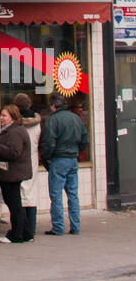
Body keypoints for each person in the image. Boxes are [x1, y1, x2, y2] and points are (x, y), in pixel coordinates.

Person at [41, 94, 89, 235]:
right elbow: (84, 139)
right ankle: (75, 226)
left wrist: (46, 157)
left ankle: (58, 227)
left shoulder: (53, 121)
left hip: (58, 159)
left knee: (56, 195)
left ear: (53, 106)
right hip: (72, 158)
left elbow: (49, 143)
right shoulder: (76, 118)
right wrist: (76, 151)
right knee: (73, 194)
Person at [0, 104, 32, 244]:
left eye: (4, 115)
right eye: (1, 115)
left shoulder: (14, 132)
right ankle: (25, 232)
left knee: (14, 204)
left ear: (13, 116)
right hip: (10, 173)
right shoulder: (11, 130)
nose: (1, 118)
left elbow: (14, 152)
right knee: (15, 203)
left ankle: (17, 234)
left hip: (12, 173)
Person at [13, 92, 42, 241]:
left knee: (20, 195)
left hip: (18, 160)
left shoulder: (16, 125)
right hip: (33, 159)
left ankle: (22, 227)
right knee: (32, 194)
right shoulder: (37, 123)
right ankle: (31, 227)